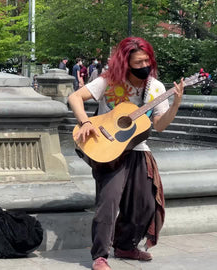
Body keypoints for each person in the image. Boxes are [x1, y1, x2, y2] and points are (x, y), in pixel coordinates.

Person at [68, 37, 184, 270]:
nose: (144, 66)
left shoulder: (157, 88)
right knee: (108, 202)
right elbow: (75, 97)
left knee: (145, 204)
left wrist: (175, 105)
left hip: (139, 150)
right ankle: (100, 256)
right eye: (138, 63)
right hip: (108, 151)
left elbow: (159, 125)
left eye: (147, 61)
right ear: (125, 63)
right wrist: (84, 122)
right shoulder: (108, 81)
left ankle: (125, 245)